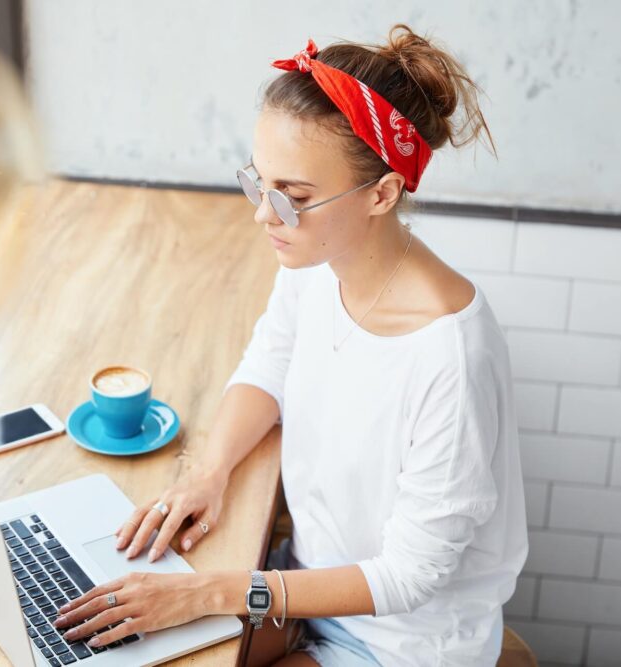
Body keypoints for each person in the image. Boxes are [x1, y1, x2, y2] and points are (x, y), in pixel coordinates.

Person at [53, 24, 528, 666]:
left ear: (383, 193)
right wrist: (209, 474)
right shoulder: (317, 263)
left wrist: (213, 594)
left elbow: (409, 577)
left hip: (405, 641)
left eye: (293, 197)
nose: (264, 215)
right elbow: (268, 366)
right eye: (259, 183)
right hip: (297, 579)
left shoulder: (452, 355)